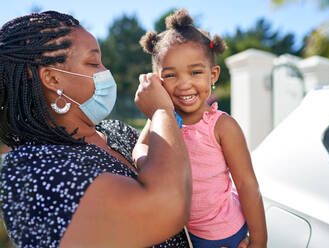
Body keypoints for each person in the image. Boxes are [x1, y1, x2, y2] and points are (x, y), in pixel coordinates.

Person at [0, 10, 193, 248]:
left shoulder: (116, 131)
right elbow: (169, 206)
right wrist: (161, 112)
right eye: (93, 62)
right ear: (52, 79)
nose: (105, 72)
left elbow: (181, 179)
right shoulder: (31, 168)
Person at [133, 9, 268, 248]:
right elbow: (140, 147)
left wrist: (259, 242)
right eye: (171, 75)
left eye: (195, 72)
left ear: (212, 74)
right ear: (157, 79)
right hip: (182, 231)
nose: (185, 84)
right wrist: (147, 163)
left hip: (221, 234)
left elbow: (247, 185)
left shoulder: (222, 126)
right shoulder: (161, 117)